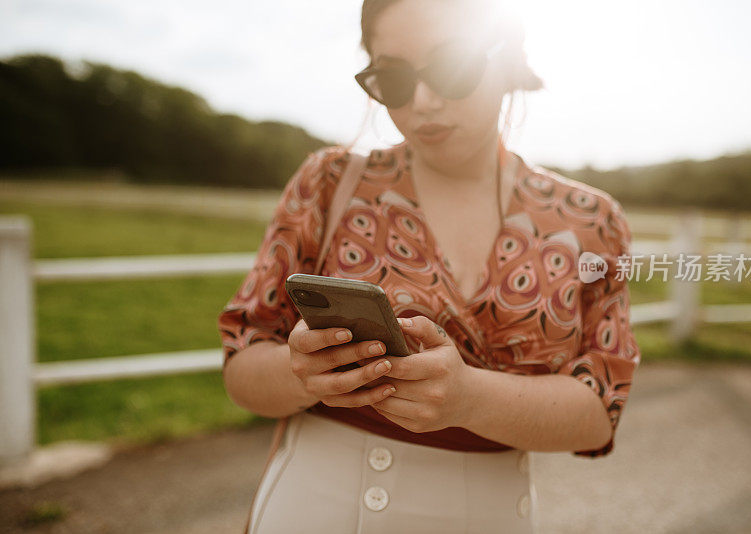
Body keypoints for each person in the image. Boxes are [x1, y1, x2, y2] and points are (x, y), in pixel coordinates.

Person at [217, 0, 642, 532]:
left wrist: (469, 399)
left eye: (451, 67)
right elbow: (242, 366)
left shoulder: (590, 222)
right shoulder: (328, 183)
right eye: (393, 79)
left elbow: (598, 413)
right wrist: (301, 373)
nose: (422, 101)